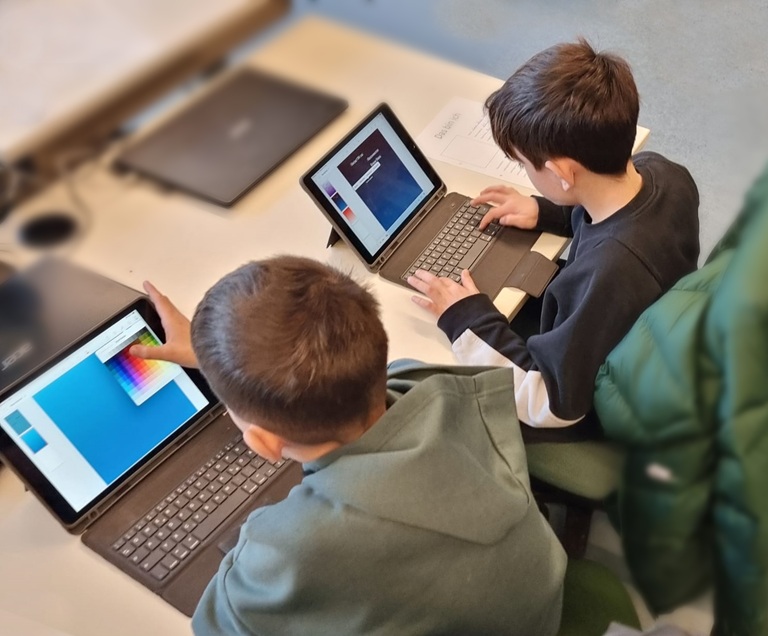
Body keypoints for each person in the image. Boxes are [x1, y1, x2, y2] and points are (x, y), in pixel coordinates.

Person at [131, 255, 567, 636]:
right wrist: (219, 359)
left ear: (262, 442)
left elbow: (216, 623)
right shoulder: (424, 384)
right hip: (539, 604)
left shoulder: (286, 551)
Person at [408, 39, 700, 436]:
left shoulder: (609, 271)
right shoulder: (664, 173)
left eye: (526, 165)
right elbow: (605, 207)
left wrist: (464, 317)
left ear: (563, 172)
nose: (526, 174)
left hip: (584, 401)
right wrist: (547, 210)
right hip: (640, 341)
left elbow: (549, 400)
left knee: (429, 387)